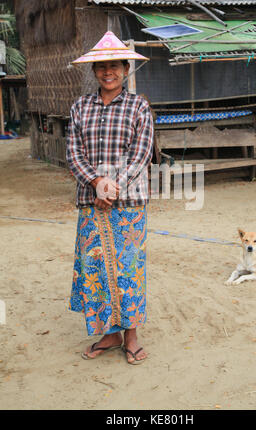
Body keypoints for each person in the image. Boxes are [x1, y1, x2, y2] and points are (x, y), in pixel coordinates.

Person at [66, 31, 154, 364]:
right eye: (102, 67)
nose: (108, 73)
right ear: (94, 71)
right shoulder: (80, 106)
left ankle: (131, 335)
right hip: (91, 203)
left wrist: (112, 186)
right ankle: (110, 333)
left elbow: (141, 153)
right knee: (97, 269)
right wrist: (96, 182)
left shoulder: (138, 106)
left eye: (115, 66)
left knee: (129, 271)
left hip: (128, 203)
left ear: (126, 69)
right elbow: (73, 152)